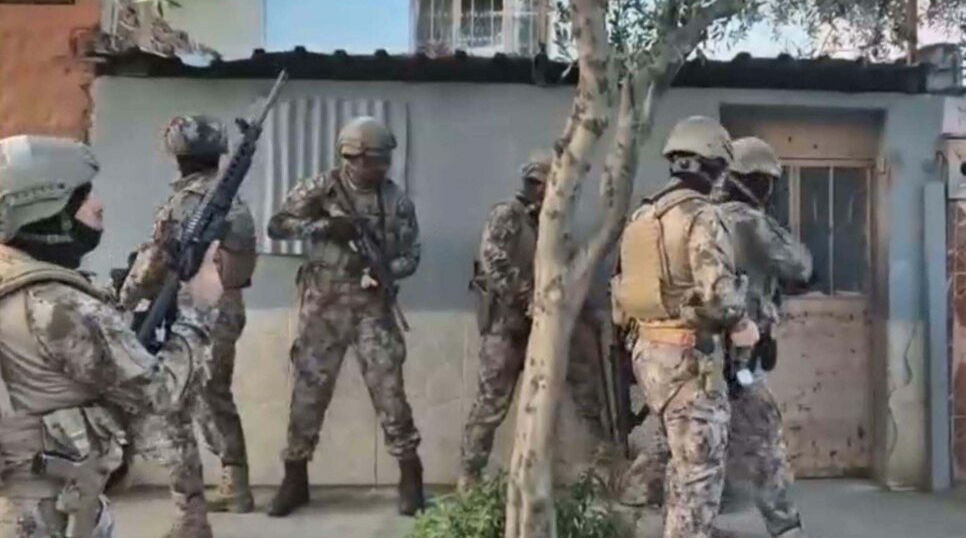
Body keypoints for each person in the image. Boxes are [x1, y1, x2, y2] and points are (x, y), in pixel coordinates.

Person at [0, 134, 223, 538]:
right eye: (83, 196)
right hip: (44, 516)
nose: (98, 205)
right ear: (47, 211)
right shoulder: (59, 305)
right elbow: (160, 394)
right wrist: (199, 308)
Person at [266, 116, 424, 517]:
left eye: (384, 160)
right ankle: (295, 477)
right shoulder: (323, 187)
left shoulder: (396, 201)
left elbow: (411, 255)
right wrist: (325, 227)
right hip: (323, 307)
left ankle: (411, 476)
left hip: (372, 309)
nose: (381, 168)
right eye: (374, 160)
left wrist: (386, 272)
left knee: (390, 392)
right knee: (308, 393)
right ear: (351, 157)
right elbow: (278, 225)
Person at [610, 116, 751, 538]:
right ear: (712, 162)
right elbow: (720, 296)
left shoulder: (644, 214)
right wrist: (743, 323)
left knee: (681, 465)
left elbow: (622, 293)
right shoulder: (700, 216)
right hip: (689, 358)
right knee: (700, 476)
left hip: (649, 356)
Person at [120, 115, 258, 530]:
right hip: (227, 306)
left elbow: (155, 261)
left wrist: (124, 298)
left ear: (177, 156)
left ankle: (202, 502)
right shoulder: (231, 200)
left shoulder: (187, 202)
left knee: (183, 401)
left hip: (194, 307)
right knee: (213, 395)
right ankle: (234, 484)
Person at [459, 155, 611, 491]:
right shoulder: (507, 215)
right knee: (491, 402)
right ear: (539, 184)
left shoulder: (553, 221)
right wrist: (529, 297)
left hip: (550, 323)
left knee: (585, 389)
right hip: (509, 325)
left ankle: (604, 465)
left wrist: (580, 307)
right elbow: (493, 264)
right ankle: (470, 475)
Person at [715, 136, 812, 538]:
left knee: (690, 444)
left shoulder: (702, 216)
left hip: (697, 358)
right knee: (765, 441)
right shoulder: (748, 221)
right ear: (756, 180)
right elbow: (800, 265)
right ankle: (785, 526)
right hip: (739, 363)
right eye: (768, 181)